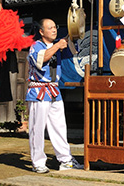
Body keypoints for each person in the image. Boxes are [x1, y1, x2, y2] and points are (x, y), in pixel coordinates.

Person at [27, 18, 83, 173]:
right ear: (41, 31)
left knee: (59, 127)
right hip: (39, 91)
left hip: (54, 91)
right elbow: (40, 61)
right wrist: (58, 45)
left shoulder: (59, 44)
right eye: (50, 27)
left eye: (55, 27)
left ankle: (65, 160)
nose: (54, 30)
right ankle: (38, 162)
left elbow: (73, 43)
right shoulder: (35, 46)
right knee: (37, 128)